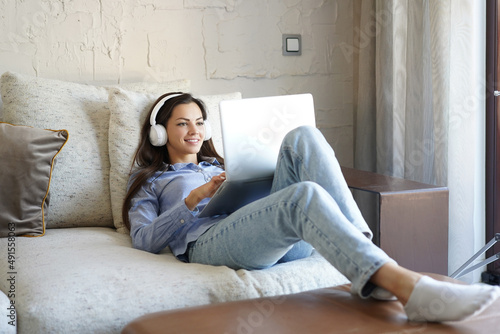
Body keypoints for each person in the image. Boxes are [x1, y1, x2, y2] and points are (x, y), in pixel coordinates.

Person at [123, 92, 499, 323]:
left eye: (200, 122)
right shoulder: (149, 179)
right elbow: (143, 239)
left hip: (264, 229)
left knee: (302, 136)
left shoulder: (223, 165)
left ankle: (364, 257)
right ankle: (404, 284)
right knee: (303, 195)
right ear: (160, 132)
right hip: (208, 243)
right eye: (183, 123)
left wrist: (242, 179)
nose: (195, 130)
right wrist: (195, 197)